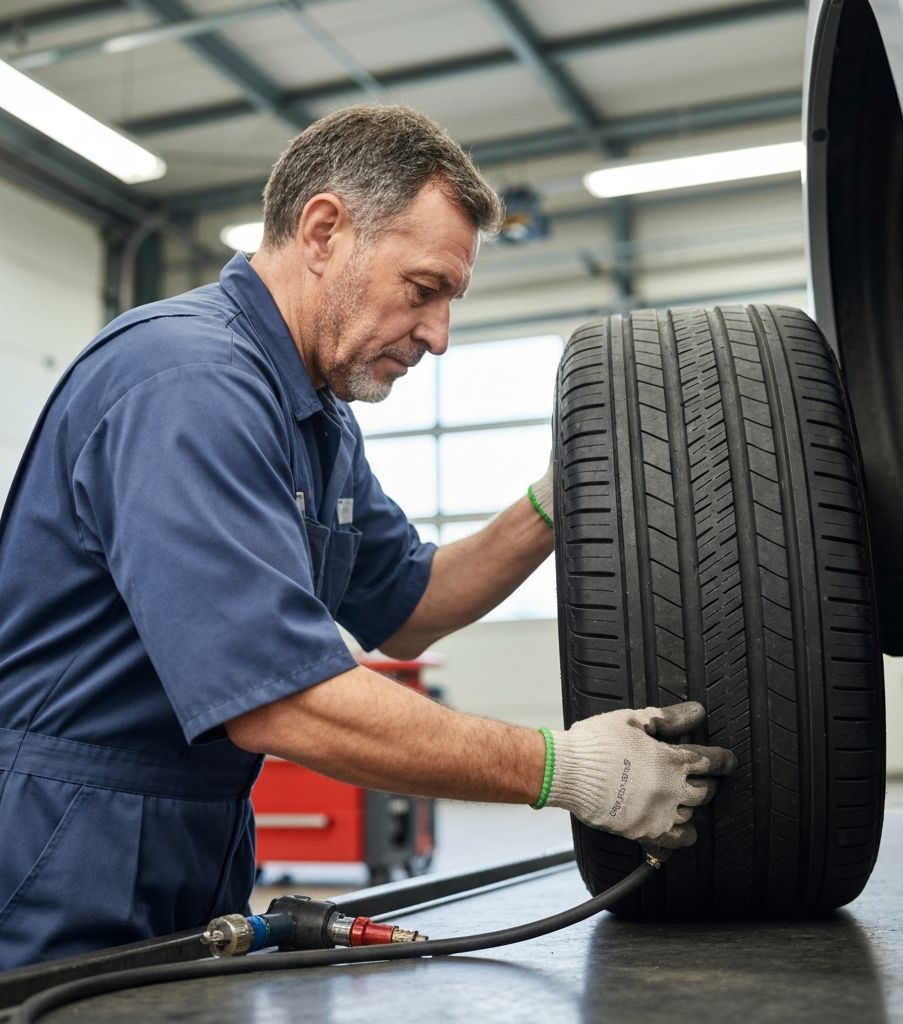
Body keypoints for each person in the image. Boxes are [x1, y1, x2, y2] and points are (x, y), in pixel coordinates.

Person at [0, 106, 735, 969]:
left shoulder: (313, 417)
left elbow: (413, 604)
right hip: (64, 838)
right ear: (323, 231)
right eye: (423, 291)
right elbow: (284, 699)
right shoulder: (187, 384)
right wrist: (563, 769)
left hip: (193, 836)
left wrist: (557, 498)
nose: (438, 337)